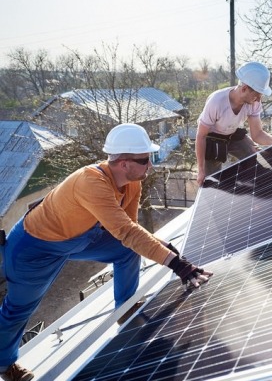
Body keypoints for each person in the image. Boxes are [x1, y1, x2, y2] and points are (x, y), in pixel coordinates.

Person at [0, 123, 213, 381]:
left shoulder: (133, 184)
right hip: (35, 247)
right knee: (19, 309)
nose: (151, 166)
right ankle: (4, 365)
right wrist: (177, 265)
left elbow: (130, 230)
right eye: (145, 160)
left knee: (126, 252)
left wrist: (163, 248)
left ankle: (125, 310)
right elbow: (127, 232)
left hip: (80, 236)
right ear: (124, 163)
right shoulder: (91, 182)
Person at [195, 61, 272, 185]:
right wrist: (201, 170)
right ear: (244, 88)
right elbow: (201, 136)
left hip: (233, 134)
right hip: (212, 139)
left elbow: (257, 135)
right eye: (257, 95)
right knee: (210, 181)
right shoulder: (217, 102)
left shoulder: (254, 103)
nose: (259, 99)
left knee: (253, 155)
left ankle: (259, 190)